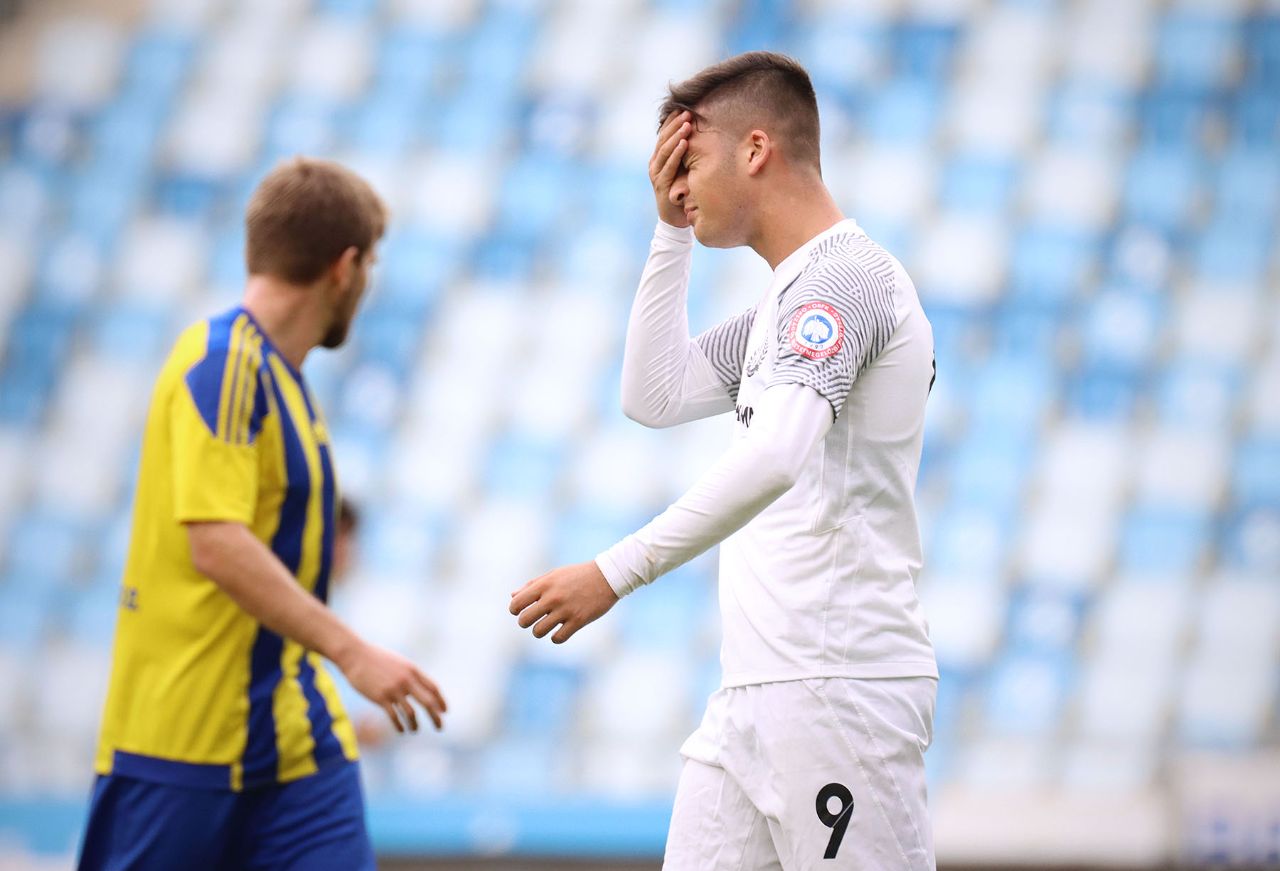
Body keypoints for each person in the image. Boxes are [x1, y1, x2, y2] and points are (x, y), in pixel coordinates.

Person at [509, 52, 937, 869]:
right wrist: (670, 233)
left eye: (690, 161)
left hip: (836, 684)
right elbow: (654, 393)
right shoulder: (786, 300)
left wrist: (613, 572)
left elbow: (774, 456)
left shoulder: (844, 282)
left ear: (756, 149)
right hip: (756, 688)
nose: (678, 186)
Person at [80, 157, 447, 871]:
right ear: (345, 267)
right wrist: (354, 651)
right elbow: (216, 543)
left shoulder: (283, 379)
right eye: (370, 265)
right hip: (183, 742)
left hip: (296, 738)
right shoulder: (224, 362)